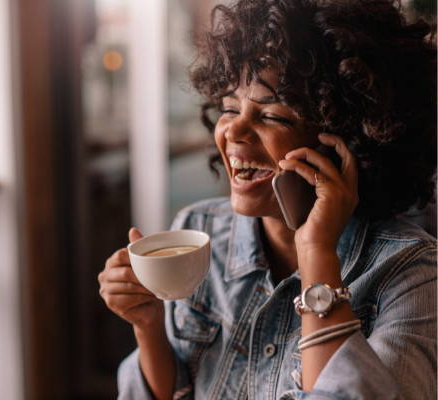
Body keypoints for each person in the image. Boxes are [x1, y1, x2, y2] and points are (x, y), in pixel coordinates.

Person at [98, 0, 437, 399]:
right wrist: (149, 326)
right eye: (228, 108)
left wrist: (316, 253)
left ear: (345, 142)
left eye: (272, 116)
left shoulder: (413, 275)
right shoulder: (197, 231)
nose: (233, 132)